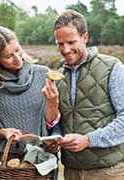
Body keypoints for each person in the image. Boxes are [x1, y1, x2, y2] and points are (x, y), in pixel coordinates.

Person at [53, 10, 124, 180]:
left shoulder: (112, 68)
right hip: (71, 172)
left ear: (85, 38)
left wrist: (89, 140)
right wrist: (54, 139)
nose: (66, 50)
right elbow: (60, 120)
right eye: (60, 44)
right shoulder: (58, 76)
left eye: (71, 42)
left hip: (108, 172)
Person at [0, 25, 60, 155]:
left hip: (42, 161)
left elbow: (52, 124)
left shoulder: (43, 74)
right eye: (9, 56)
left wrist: (53, 102)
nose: (17, 58)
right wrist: (3, 133)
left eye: (18, 50)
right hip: (7, 165)